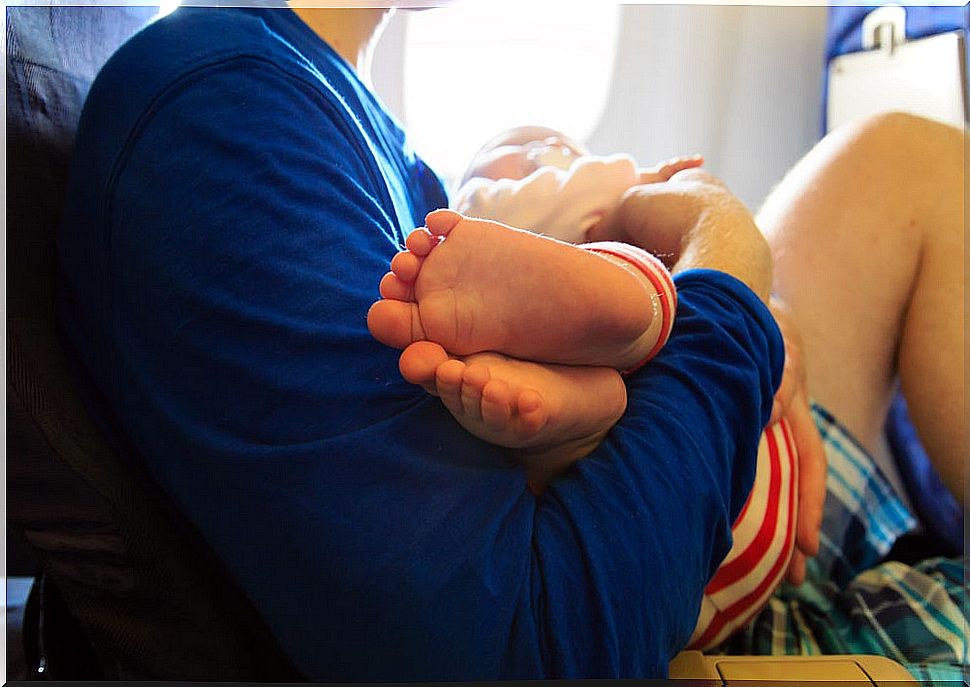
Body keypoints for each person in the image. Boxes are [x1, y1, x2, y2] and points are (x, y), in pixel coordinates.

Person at [55, 3, 964, 681]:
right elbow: (538, 649)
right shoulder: (226, 108)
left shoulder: (334, 113)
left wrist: (744, 303)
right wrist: (732, 283)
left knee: (892, 163)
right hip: (685, 596)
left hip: (704, 494)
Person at [374, 128, 807, 649]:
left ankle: (590, 401)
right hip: (732, 517)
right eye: (509, 151)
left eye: (555, 148)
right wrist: (639, 182)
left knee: (637, 288)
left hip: (734, 468)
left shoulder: (497, 275)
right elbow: (505, 200)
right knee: (645, 290)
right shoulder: (472, 222)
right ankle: (617, 358)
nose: (537, 156)